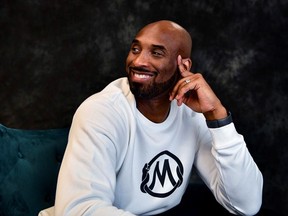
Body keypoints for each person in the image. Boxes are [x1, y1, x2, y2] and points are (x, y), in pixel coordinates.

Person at [39, 20, 263, 216]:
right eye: (135, 49)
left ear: (183, 65)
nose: (138, 61)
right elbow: (80, 209)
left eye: (156, 53)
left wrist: (217, 116)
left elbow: (246, 204)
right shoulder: (101, 111)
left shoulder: (191, 113)